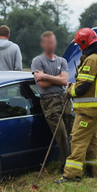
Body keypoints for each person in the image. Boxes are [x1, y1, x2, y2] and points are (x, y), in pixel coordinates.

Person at [57, 28, 97, 183]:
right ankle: (92, 170)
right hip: (96, 110)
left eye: (80, 45)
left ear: (86, 44)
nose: (79, 48)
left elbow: (82, 87)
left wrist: (70, 91)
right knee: (92, 141)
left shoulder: (91, 60)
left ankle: (71, 175)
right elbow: (88, 83)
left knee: (78, 140)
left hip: (87, 110)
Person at [32, 31, 72, 164]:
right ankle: (66, 165)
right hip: (49, 101)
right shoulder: (37, 61)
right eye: (48, 42)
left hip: (64, 99)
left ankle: (71, 163)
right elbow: (42, 85)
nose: (51, 45)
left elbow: (65, 80)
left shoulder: (62, 61)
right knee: (61, 134)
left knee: (70, 131)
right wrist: (58, 78)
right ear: (43, 44)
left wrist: (46, 76)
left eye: (53, 42)